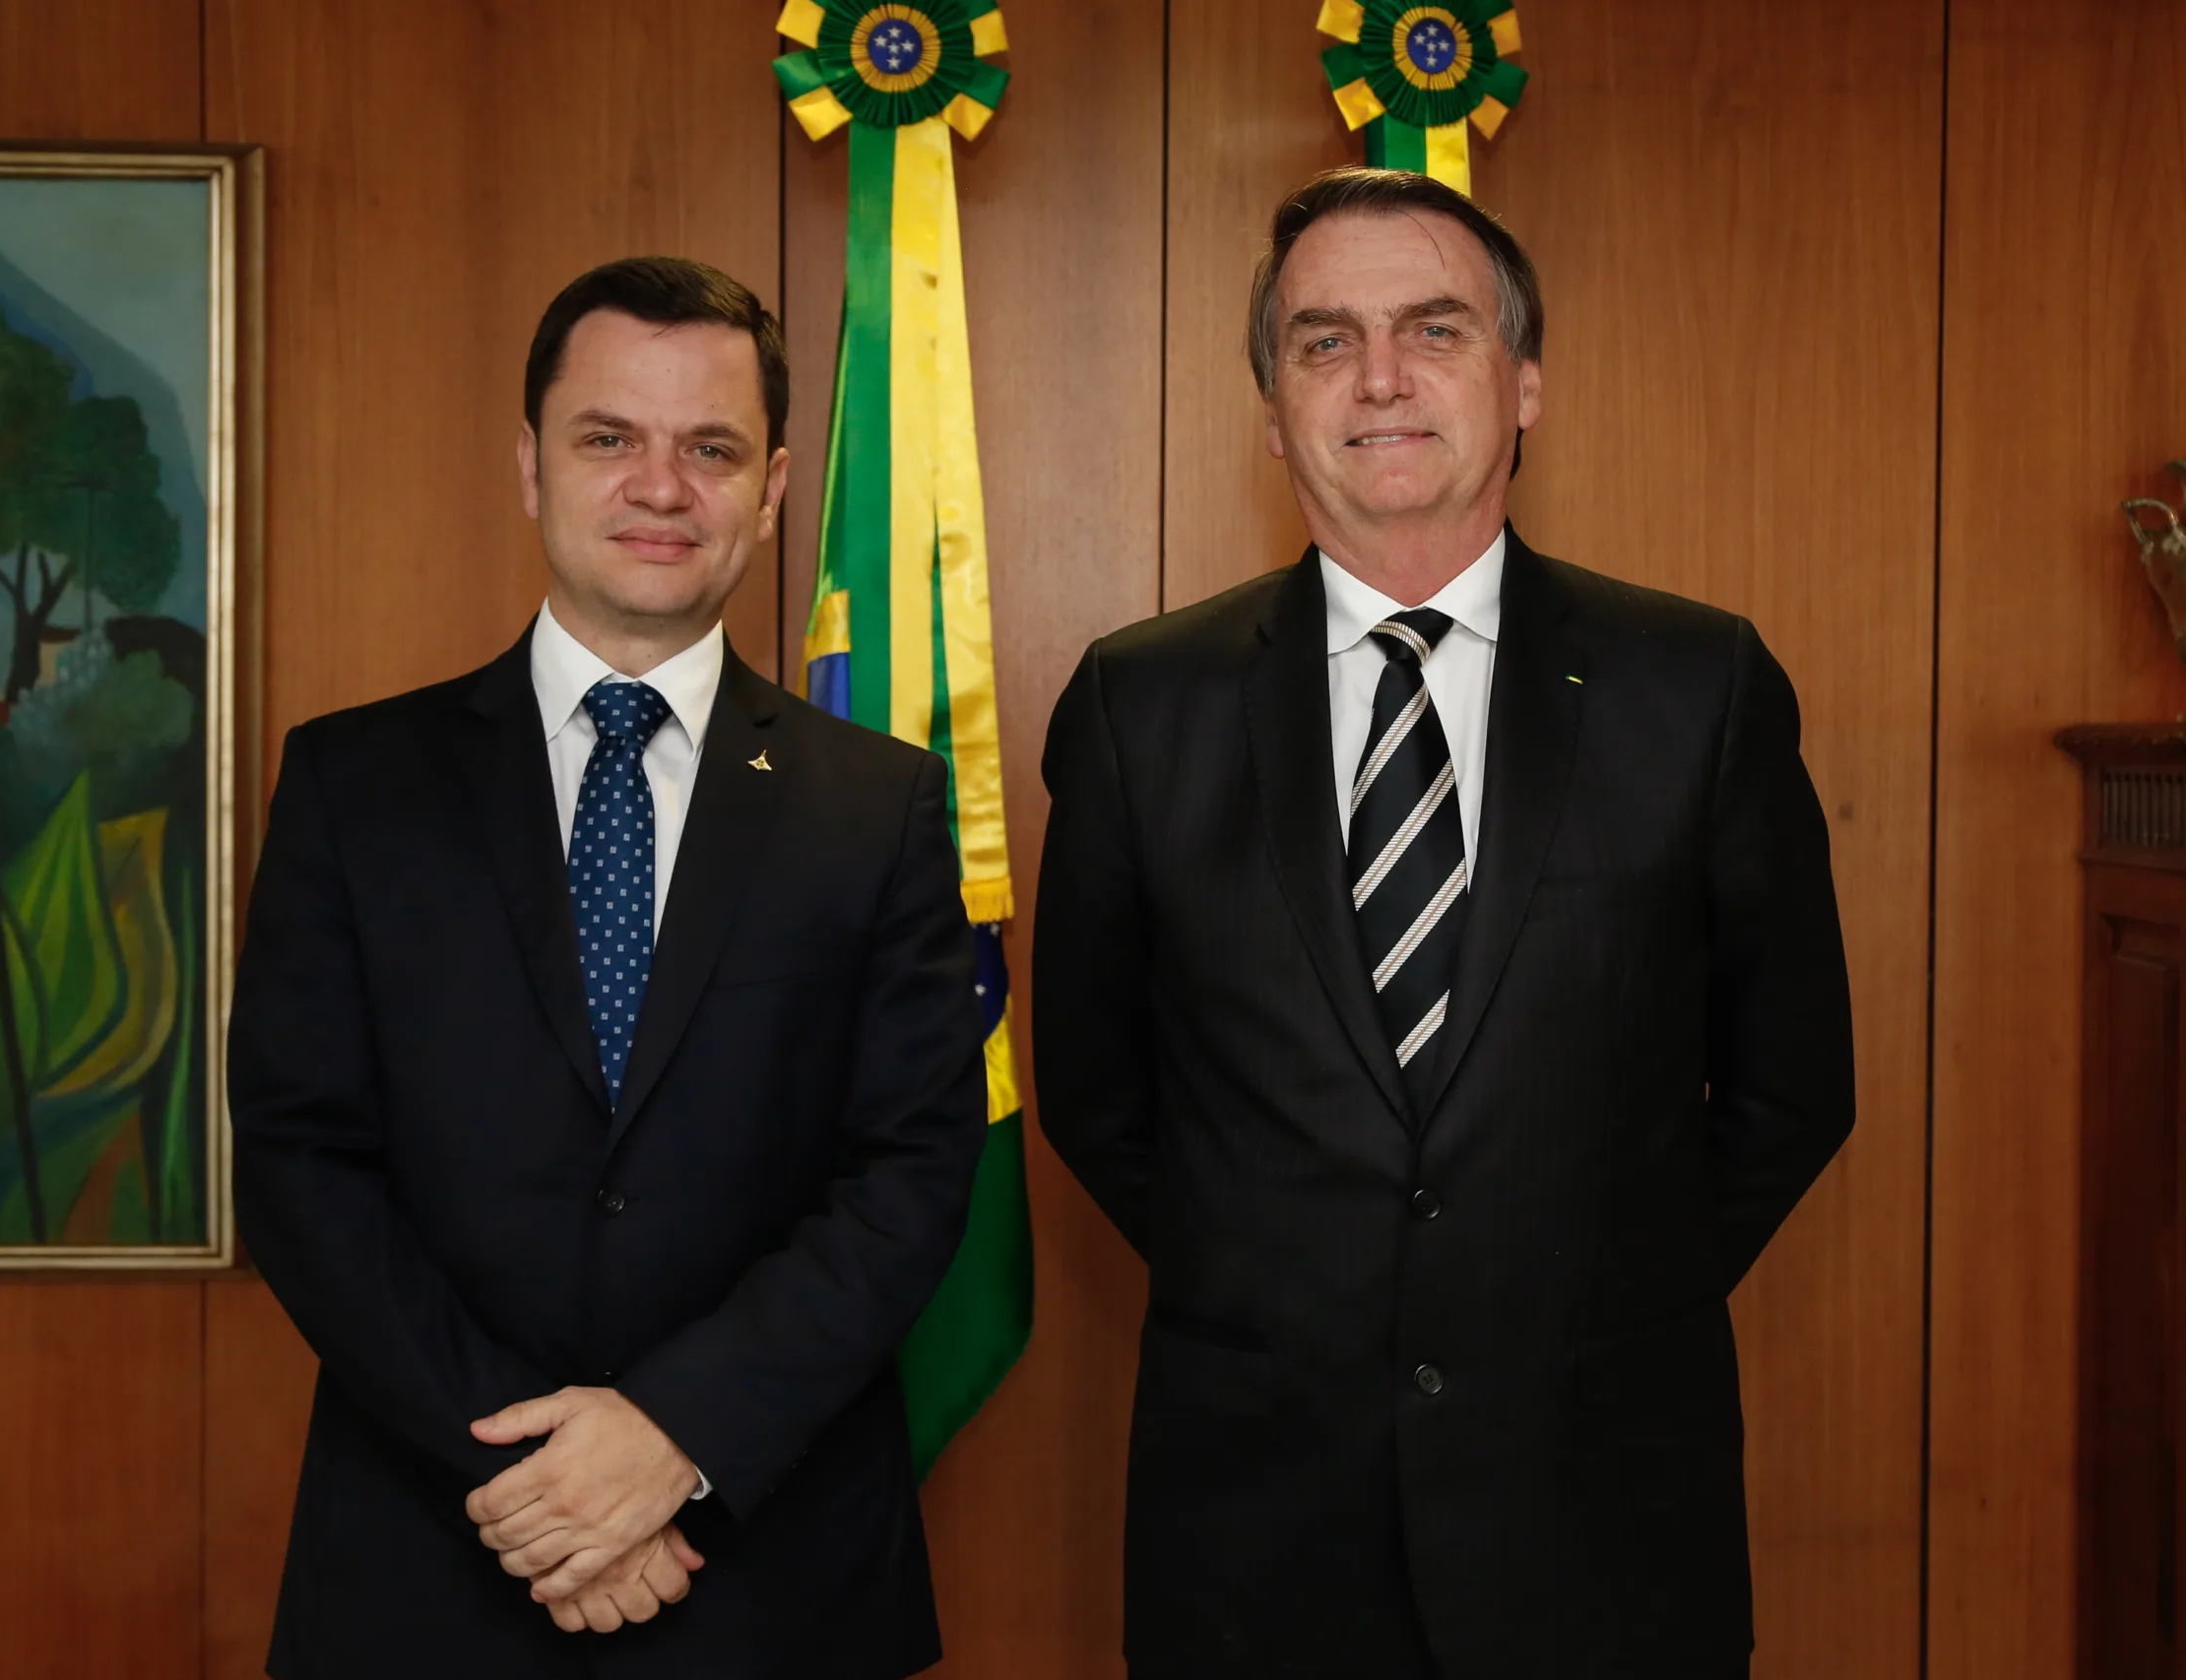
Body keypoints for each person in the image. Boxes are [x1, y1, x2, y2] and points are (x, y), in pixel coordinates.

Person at [1034, 168, 1855, 1678]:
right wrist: (1300, 1280)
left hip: (1604, 1514)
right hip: (1258, 1537)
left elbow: (1795, 1085)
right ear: (1274, 408)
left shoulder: (1700, 687)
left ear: (1524, 378)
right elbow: (1096, 1093)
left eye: (1435, 328)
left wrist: (1581, 1289)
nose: (1383, 378)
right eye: (1325, 341)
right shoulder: (1139, 705)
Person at [229, 256, 983, 1679]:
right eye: (608, 438)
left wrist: (676, 1434)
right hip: (434, 1558)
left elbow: (913, 1167)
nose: (661, 485)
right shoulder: (353, 784)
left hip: (774, 1570)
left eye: (710, 448)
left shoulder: (878, 805)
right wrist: (545, 1488)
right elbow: (300, 1162)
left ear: (769, 490)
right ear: (529, 466)